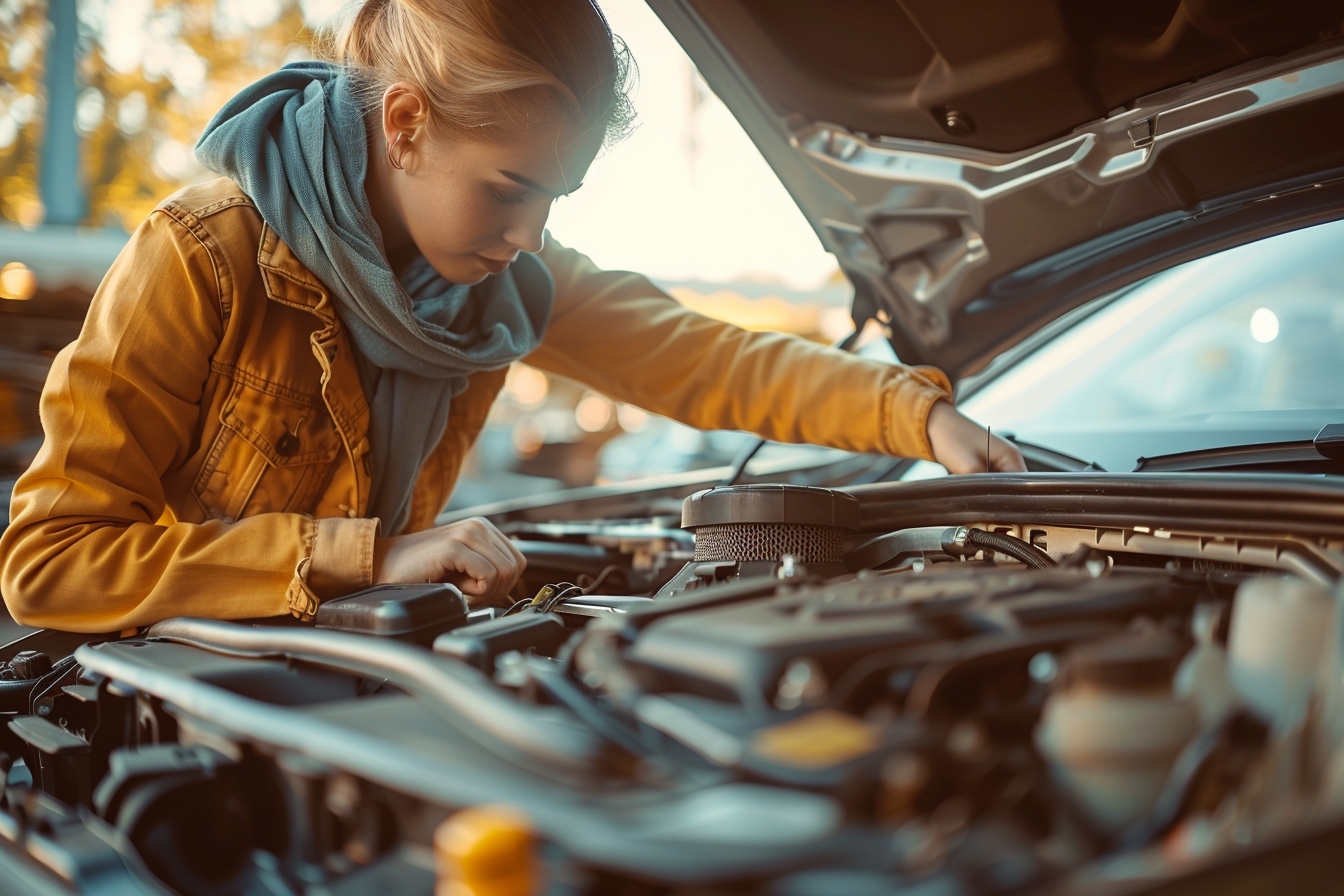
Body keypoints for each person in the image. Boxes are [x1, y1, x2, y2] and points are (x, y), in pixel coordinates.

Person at [0, 0, 1024, 634]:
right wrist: (362, 554)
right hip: (181, 724)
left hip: (362, 680)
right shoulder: (202, 257)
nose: (530, 236)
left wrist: (919, 418)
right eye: (510, 187)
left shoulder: (504, 279)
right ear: (406, 123)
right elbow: (50, 566)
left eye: (554, 203)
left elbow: (709, 359)